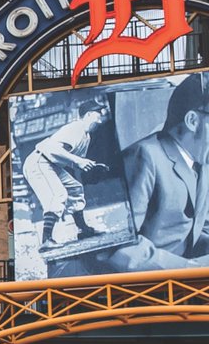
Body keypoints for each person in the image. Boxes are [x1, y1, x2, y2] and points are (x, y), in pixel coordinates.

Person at [107, 72, 209, 271]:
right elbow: (119, 245)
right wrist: (189, 268)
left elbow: (200, 228)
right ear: (192, 121)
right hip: (144, 289)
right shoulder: (143, 156)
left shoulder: (202, 163)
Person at [22, 99, 110, 251]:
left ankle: (83, 230)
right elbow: (53, 149)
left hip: (51, 163)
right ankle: (46, 240)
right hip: (39, 160)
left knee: (75, 188)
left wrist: (90, 165)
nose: (100, 116)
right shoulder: (76, 128)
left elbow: (71, 160)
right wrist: (79, 161)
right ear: (88, 114)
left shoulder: (86, 136)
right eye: (98, 113)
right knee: (58, 194)